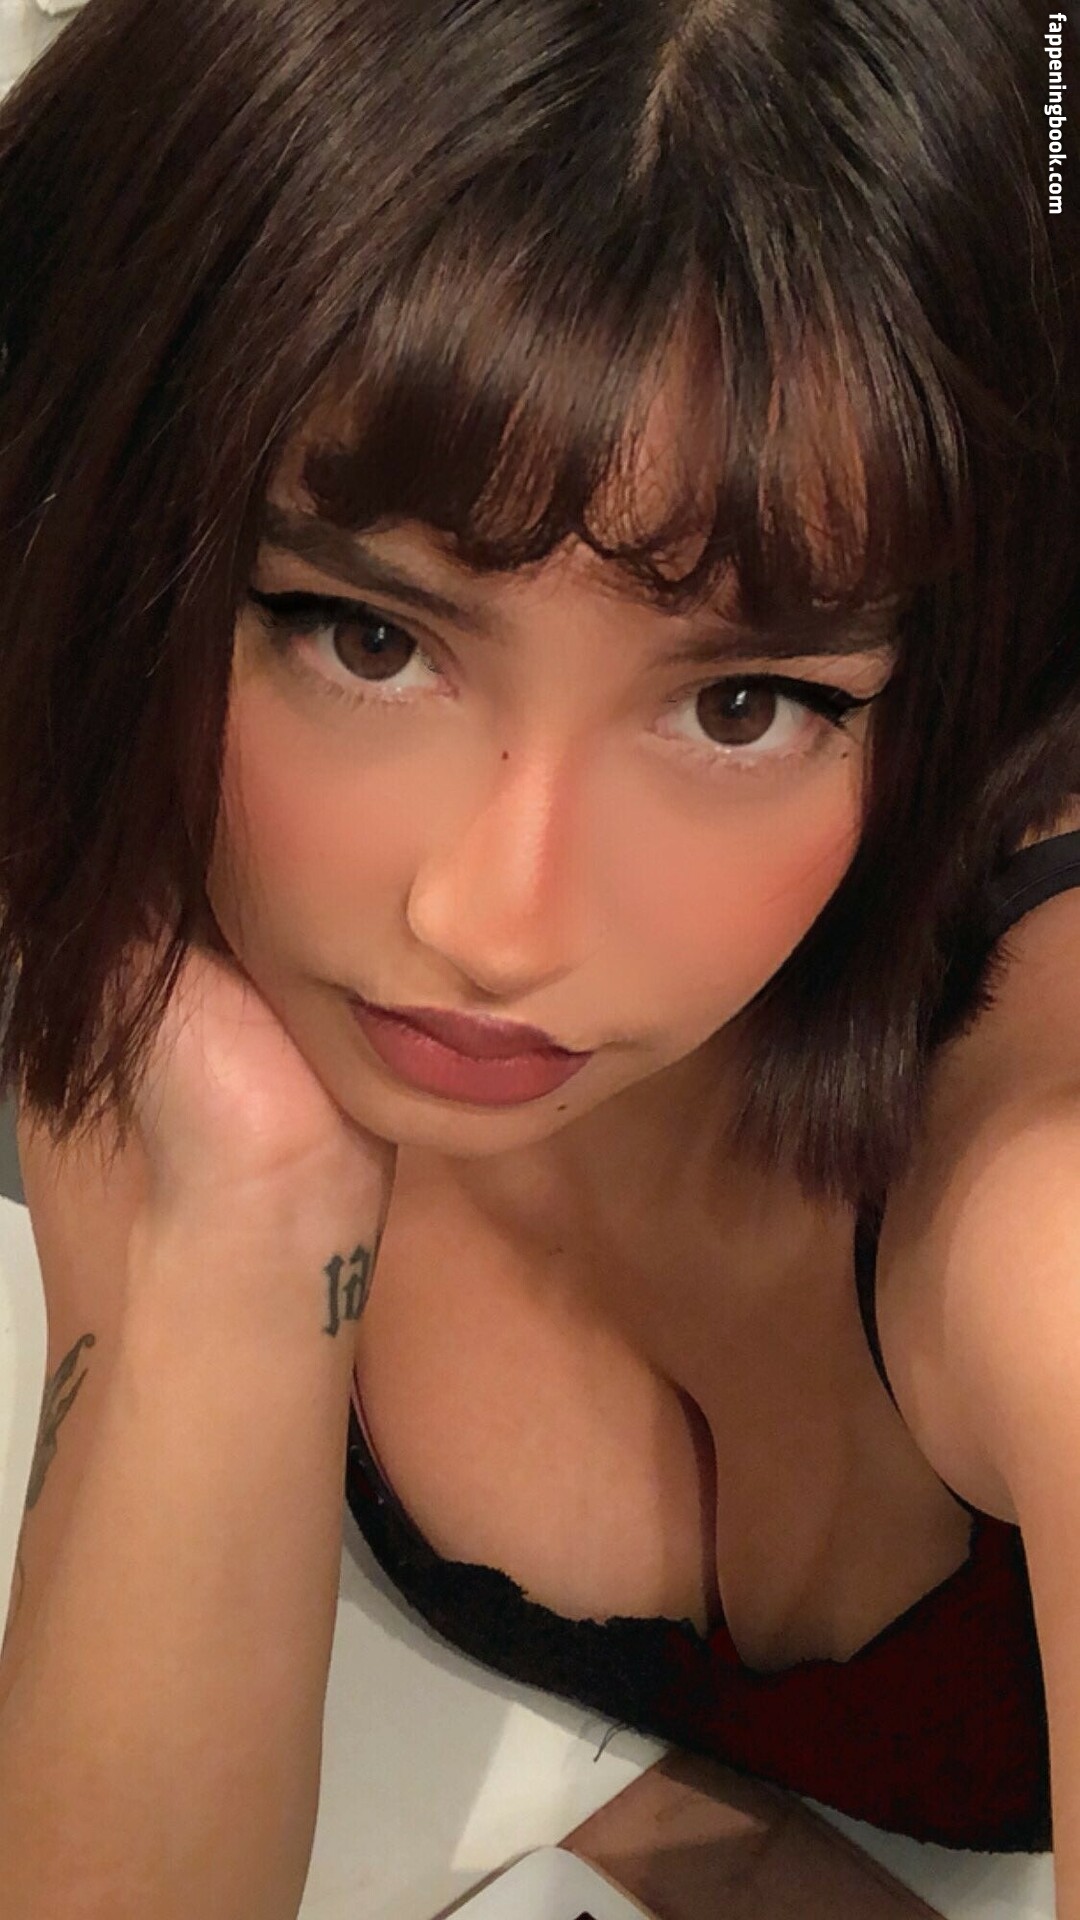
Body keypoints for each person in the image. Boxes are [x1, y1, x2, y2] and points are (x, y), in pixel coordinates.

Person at [0, 0, 1077, 1911]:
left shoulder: (1043, 1214)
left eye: (743, 703)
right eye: (368, 638)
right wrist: (239, 1203)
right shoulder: (177, 949)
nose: (493, 926)